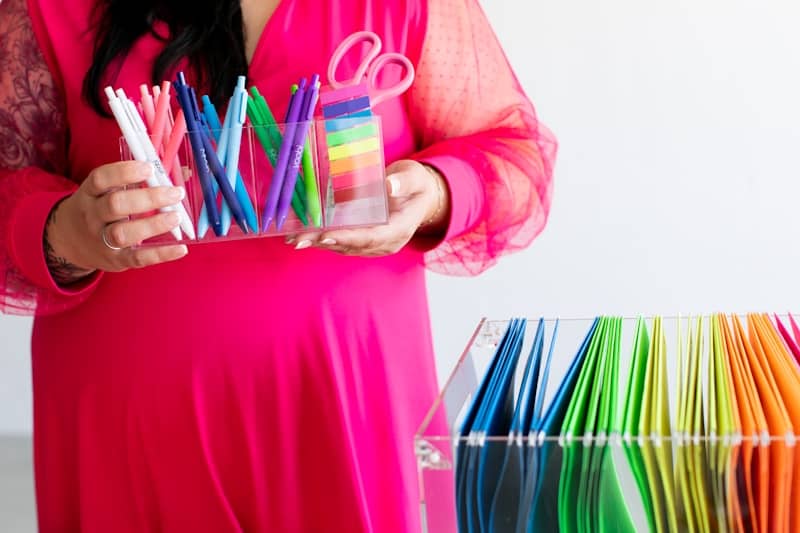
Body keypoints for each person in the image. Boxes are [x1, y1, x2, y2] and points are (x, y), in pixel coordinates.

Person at [0, 0, 556, 530]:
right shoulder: (50, 9)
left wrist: (435, 192)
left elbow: (515, 157)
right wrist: (60, 232)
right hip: (129, 425)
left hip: (346, 410)